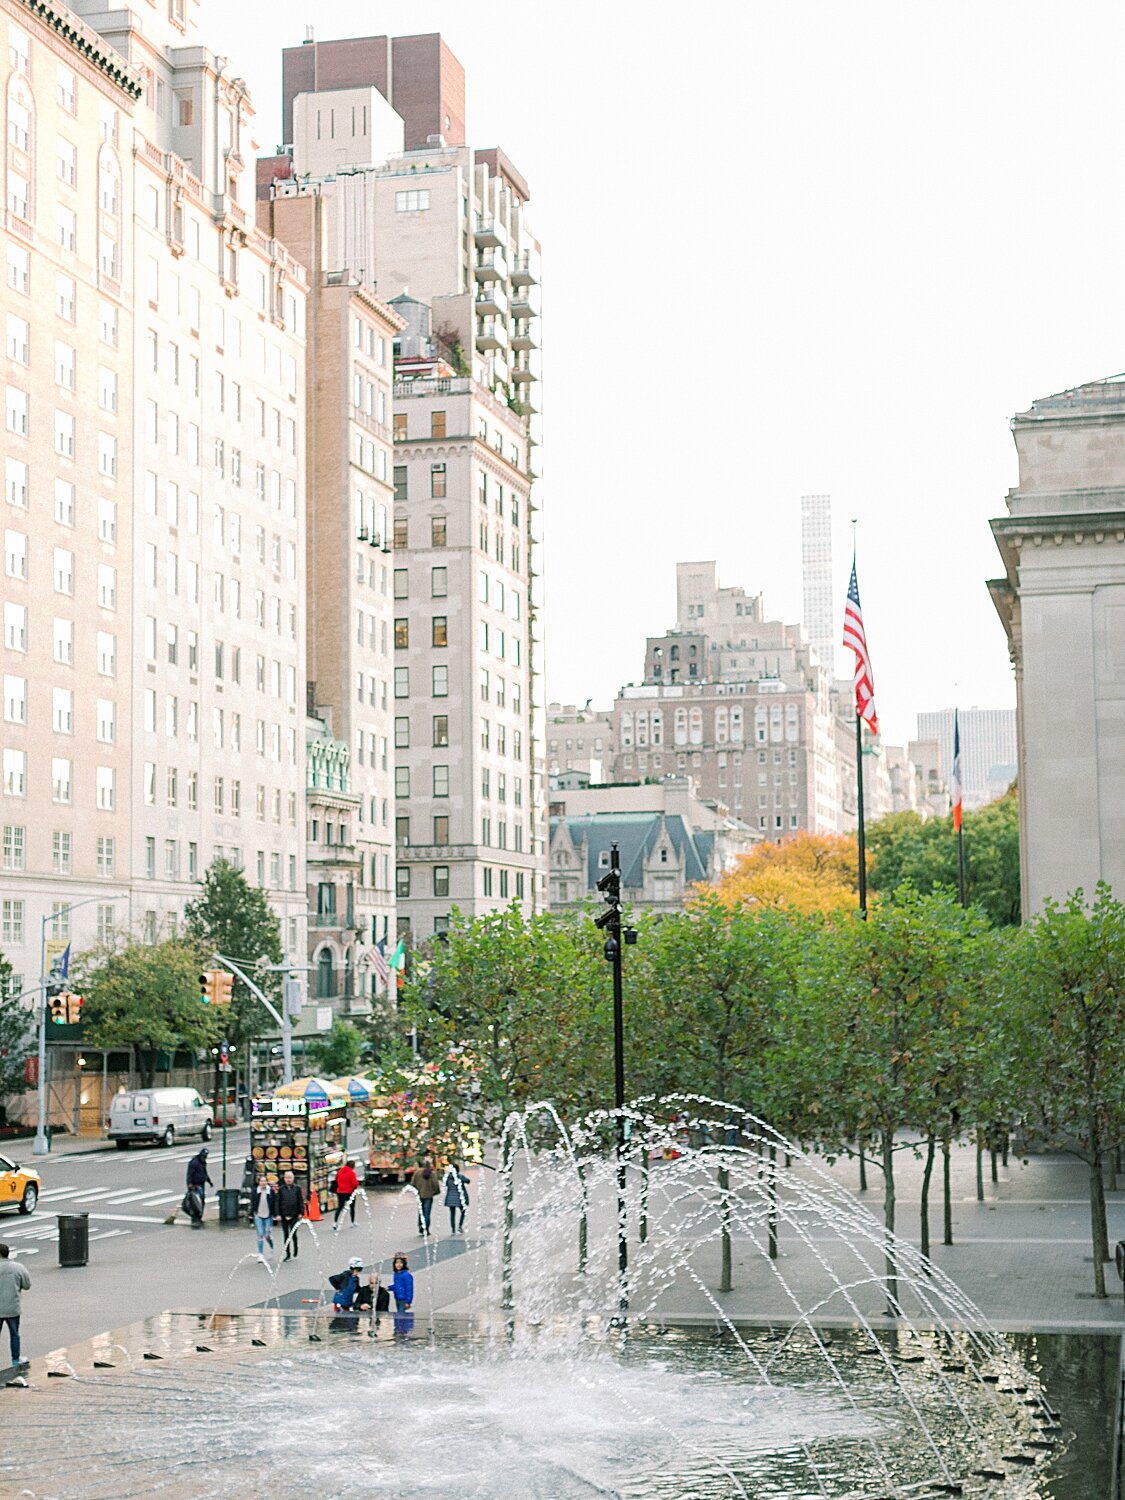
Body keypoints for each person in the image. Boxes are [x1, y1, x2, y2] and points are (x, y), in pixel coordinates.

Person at [0, 1243, 31, 1369]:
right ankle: (15, 1359)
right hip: (13, 1307)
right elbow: (27, 1285)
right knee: (14, 1334)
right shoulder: (18, 1267)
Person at [277, 1170, 305, 1261]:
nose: (288, 1180)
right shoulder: (281, 1189)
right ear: (284, 1179)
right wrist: (278, 1214)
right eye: (286, 1178)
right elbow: (277, 1202)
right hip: (284, 1215)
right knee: (286, 1235)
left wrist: (301, 1213)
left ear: (293, 1179)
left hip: (294, 1215)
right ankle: (287, 1253)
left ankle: (295, 1248)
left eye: (290, 1178)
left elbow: (300, 1201)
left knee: (294, 1234)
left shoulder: (297, 1188)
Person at [410, 1157, 440, 1235]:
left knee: (421, 1212)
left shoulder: (417, 1172)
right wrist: (435, 1192)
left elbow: (412, 1184)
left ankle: (421, 1226)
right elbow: (435, 1184)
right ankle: (426, 1228)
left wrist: (417, 1190)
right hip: (429, 1196)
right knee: (427, 1213)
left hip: (420, 1195)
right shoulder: (432, 1173)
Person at [251, 1175, 278, 1260]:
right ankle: (260, 1254)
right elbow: (253, 1203)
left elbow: (274, 1203)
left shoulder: (270, 1192)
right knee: (260, 1235)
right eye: (261, 1181)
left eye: (264, 1181)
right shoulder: (256, 1191)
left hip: (268, 1216)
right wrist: (251, 1215)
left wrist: (275, 1215)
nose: (263, 1183)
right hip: (258, 1216)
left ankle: (271, 1248)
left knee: (267, 1235)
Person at [443, 1161, 470, 1235]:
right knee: (463, 1211)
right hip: (460, 1198)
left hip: (450, 1198)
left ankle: (453, 1229)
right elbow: (468, 1181)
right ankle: (460, 1226)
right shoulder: (460, 1177)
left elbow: (445, 1184)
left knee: (452, 1214)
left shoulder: (448, 1178)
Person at [332, 1159, 359, 1228]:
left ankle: (335, 1222)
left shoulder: (340, 1172)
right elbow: (355, 1184)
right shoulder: (352, 1173)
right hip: (349, 1192)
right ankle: (352, 1222)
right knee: (352, 1208)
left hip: (340, 1192)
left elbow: (337, 1180)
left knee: (340, 1207)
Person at [186, 1147, 213, 1217]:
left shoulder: (202, 1162)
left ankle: (200, 1213)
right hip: (195, 1184)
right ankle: (196, 1214)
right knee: (197, 1199)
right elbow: (189, 1174)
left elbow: (204, 1172)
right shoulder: (194, 1163)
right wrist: (189, 1183)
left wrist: (209, 1181)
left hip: (201, 1182)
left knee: (202, 1199)